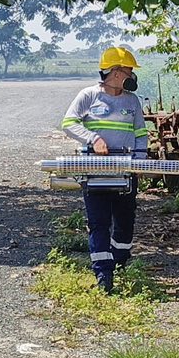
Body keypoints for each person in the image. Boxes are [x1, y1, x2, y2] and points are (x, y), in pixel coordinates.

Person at [61, 46, 148, 294]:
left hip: (126, 172)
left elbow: (141, 133)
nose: (132, 76)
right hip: (96, 171)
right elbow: (68, 123)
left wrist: (140, 161)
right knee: (98, 223)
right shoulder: (89, 96)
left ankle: (119, 263)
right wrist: (93, 139)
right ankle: (103, 276)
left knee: (125, 223)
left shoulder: (132, 101)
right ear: (116, 72)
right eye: (129, 70)